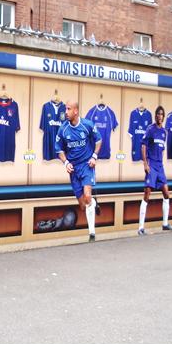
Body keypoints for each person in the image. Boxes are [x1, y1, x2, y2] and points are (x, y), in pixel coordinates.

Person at [55, 100, 102, 242]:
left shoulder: (87, 125)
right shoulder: (63, 129)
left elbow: (98, 140)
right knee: (83, 205)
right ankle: (93, 203)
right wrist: (66, 163)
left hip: (87, 166)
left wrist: (94, 156)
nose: (66, 112)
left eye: (68, 109)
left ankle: (92, 234)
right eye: (65, 109)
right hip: (74, 170)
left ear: (75, 111)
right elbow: (59, 150)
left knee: (87, 197)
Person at [138, 105, 172, 235]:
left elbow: (163, 149)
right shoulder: (150, 129)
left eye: (162, 114)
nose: (160, 116)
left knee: (166, 193)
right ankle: (141, 228)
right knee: (147, 194)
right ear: (155, 116)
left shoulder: (164, 132)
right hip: (151, 165)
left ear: (163, 117)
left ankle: (165, 224)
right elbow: (143, 146)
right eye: (158, 114)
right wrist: (145, 164)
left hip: (160, 167)